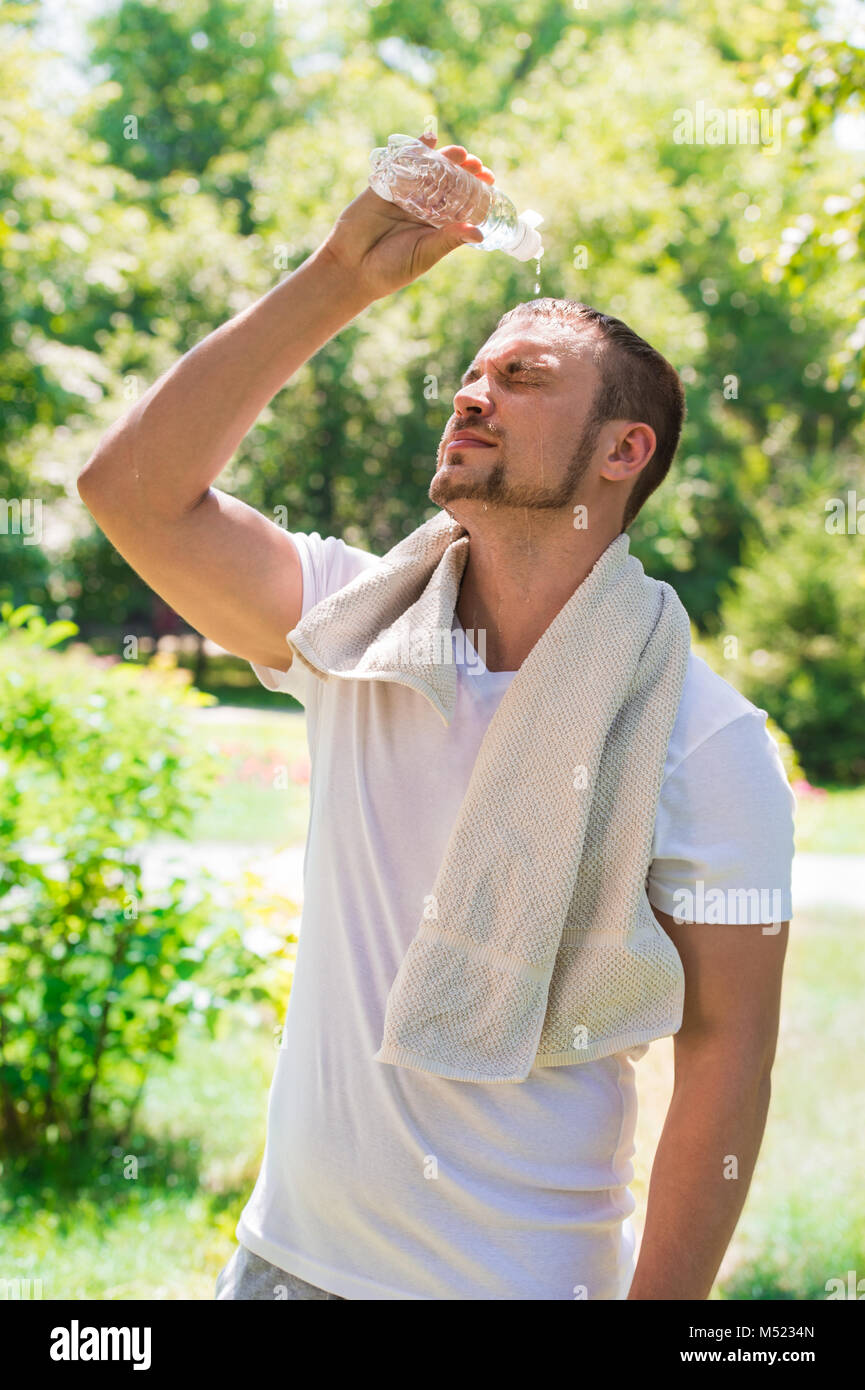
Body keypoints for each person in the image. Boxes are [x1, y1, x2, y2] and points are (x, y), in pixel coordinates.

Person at [78, 134, 794, 1301]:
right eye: (473, 371)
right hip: (277, 1267)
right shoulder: (352, 626)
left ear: (626, 451)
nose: (473, 390)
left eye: (522, 378)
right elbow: (132, 491)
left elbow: (726, 1056)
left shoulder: (706, 741)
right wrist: (341, 276)